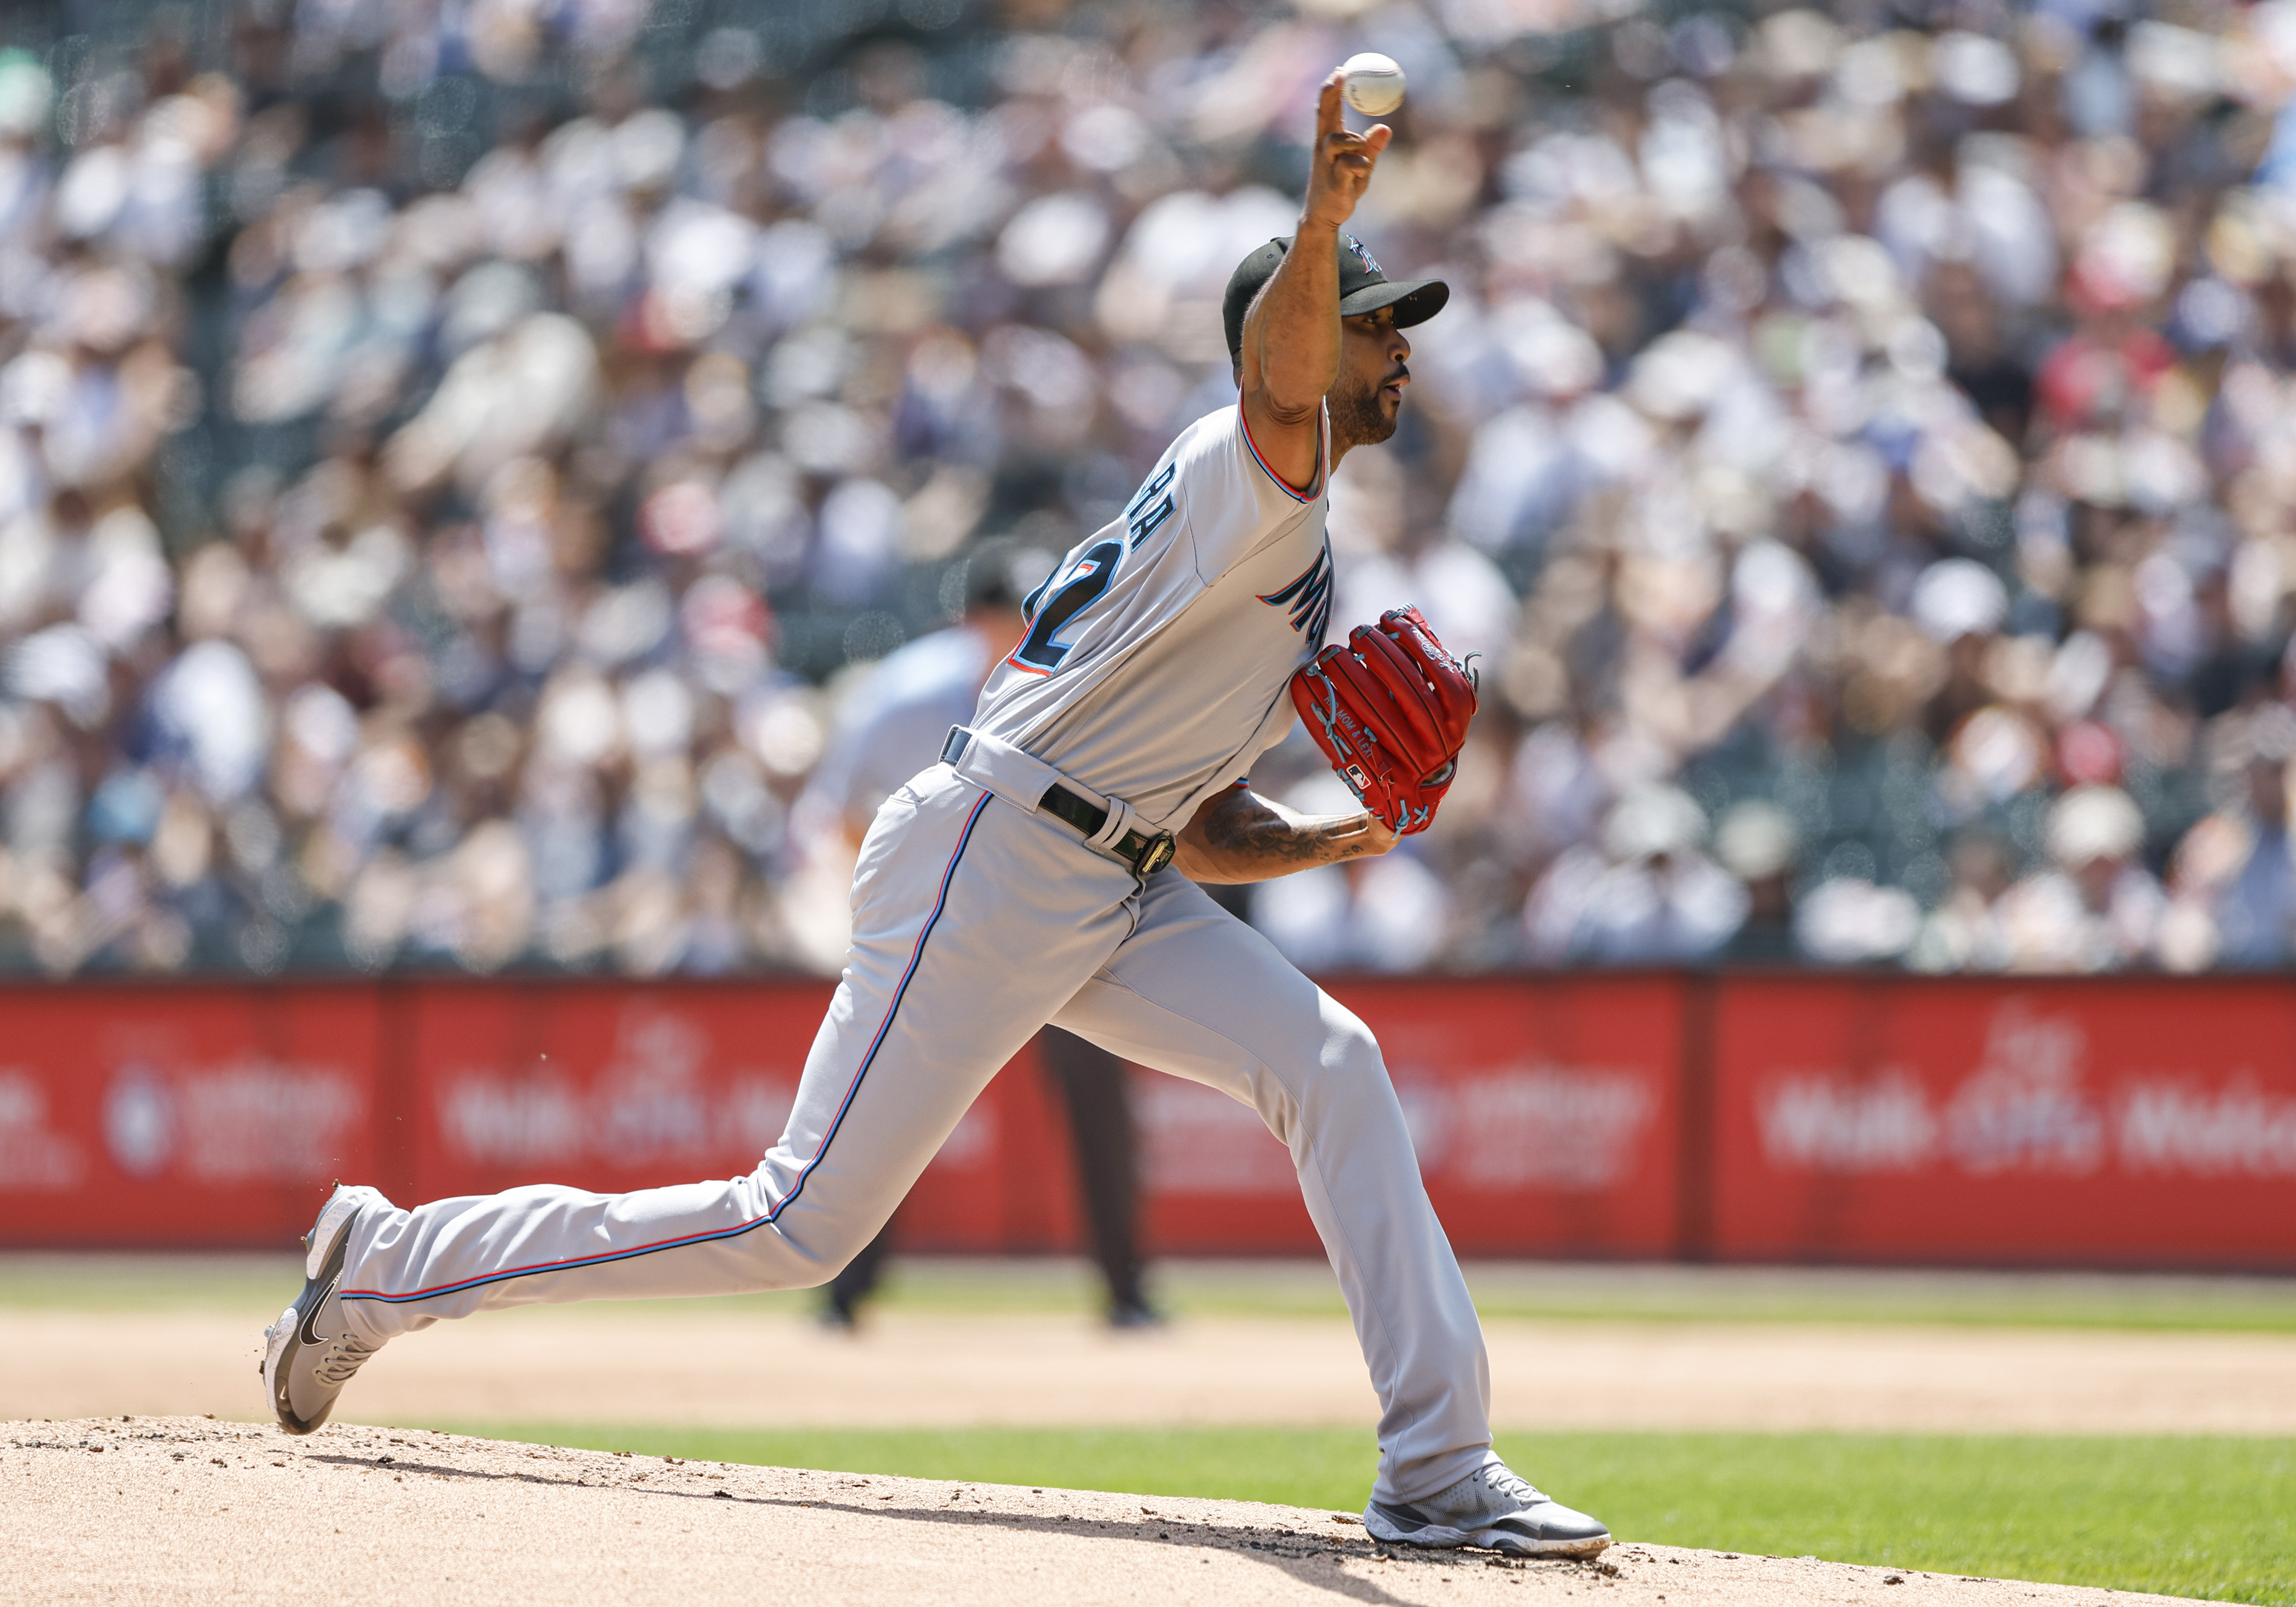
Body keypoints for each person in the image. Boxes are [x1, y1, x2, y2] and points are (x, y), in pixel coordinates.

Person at [260, 74, 1612, 1559]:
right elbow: (1279, 378)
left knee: (1330, 1059)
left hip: (1117, 869)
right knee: (794, 1225)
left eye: (1396, 322)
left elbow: (1200, 817)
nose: (1396, 344)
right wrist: (1321, 212)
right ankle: (383, 1267)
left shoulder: (1278, 535)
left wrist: (1326, 842)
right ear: (1287, 335)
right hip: (999, 847)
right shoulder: (1253, 467)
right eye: (1374, 319)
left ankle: (1436, 1463)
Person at [800, 541, 1162, 1330]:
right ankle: (844, 1290)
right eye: (1021, 615)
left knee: (1099, 1094)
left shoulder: (1080, 683)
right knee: (891, 1100)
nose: (1039, 628)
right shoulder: (907, 695)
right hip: (937, 923)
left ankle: (1128, 1292)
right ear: (977, 620)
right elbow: (843, 813)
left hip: (1051, 925)